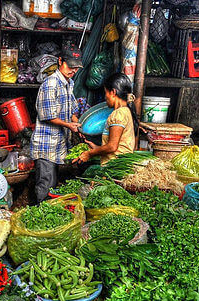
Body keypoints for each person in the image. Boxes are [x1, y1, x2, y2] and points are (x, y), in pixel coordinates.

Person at [31, 49, 83, 204]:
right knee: (45, 185)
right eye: (70, 66)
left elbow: (72, 109)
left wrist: (78, 124)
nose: (73, 71)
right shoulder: (51, 83)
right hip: (46, 145)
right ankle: (39, 217)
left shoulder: (69, 83)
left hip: (59, 143)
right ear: (60, 61)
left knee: (53, 185)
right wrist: (69, 125)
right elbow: (48, 116)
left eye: (76, 68)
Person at [73, 73, 138, 165]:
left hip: (114, 166)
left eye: (106, 92)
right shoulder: (126, 111)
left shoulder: (118, 114)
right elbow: (117, 145)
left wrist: (89, 153)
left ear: (113, 92)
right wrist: (96, 148)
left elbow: (112, 147)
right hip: (119, 164)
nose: (105, 97)